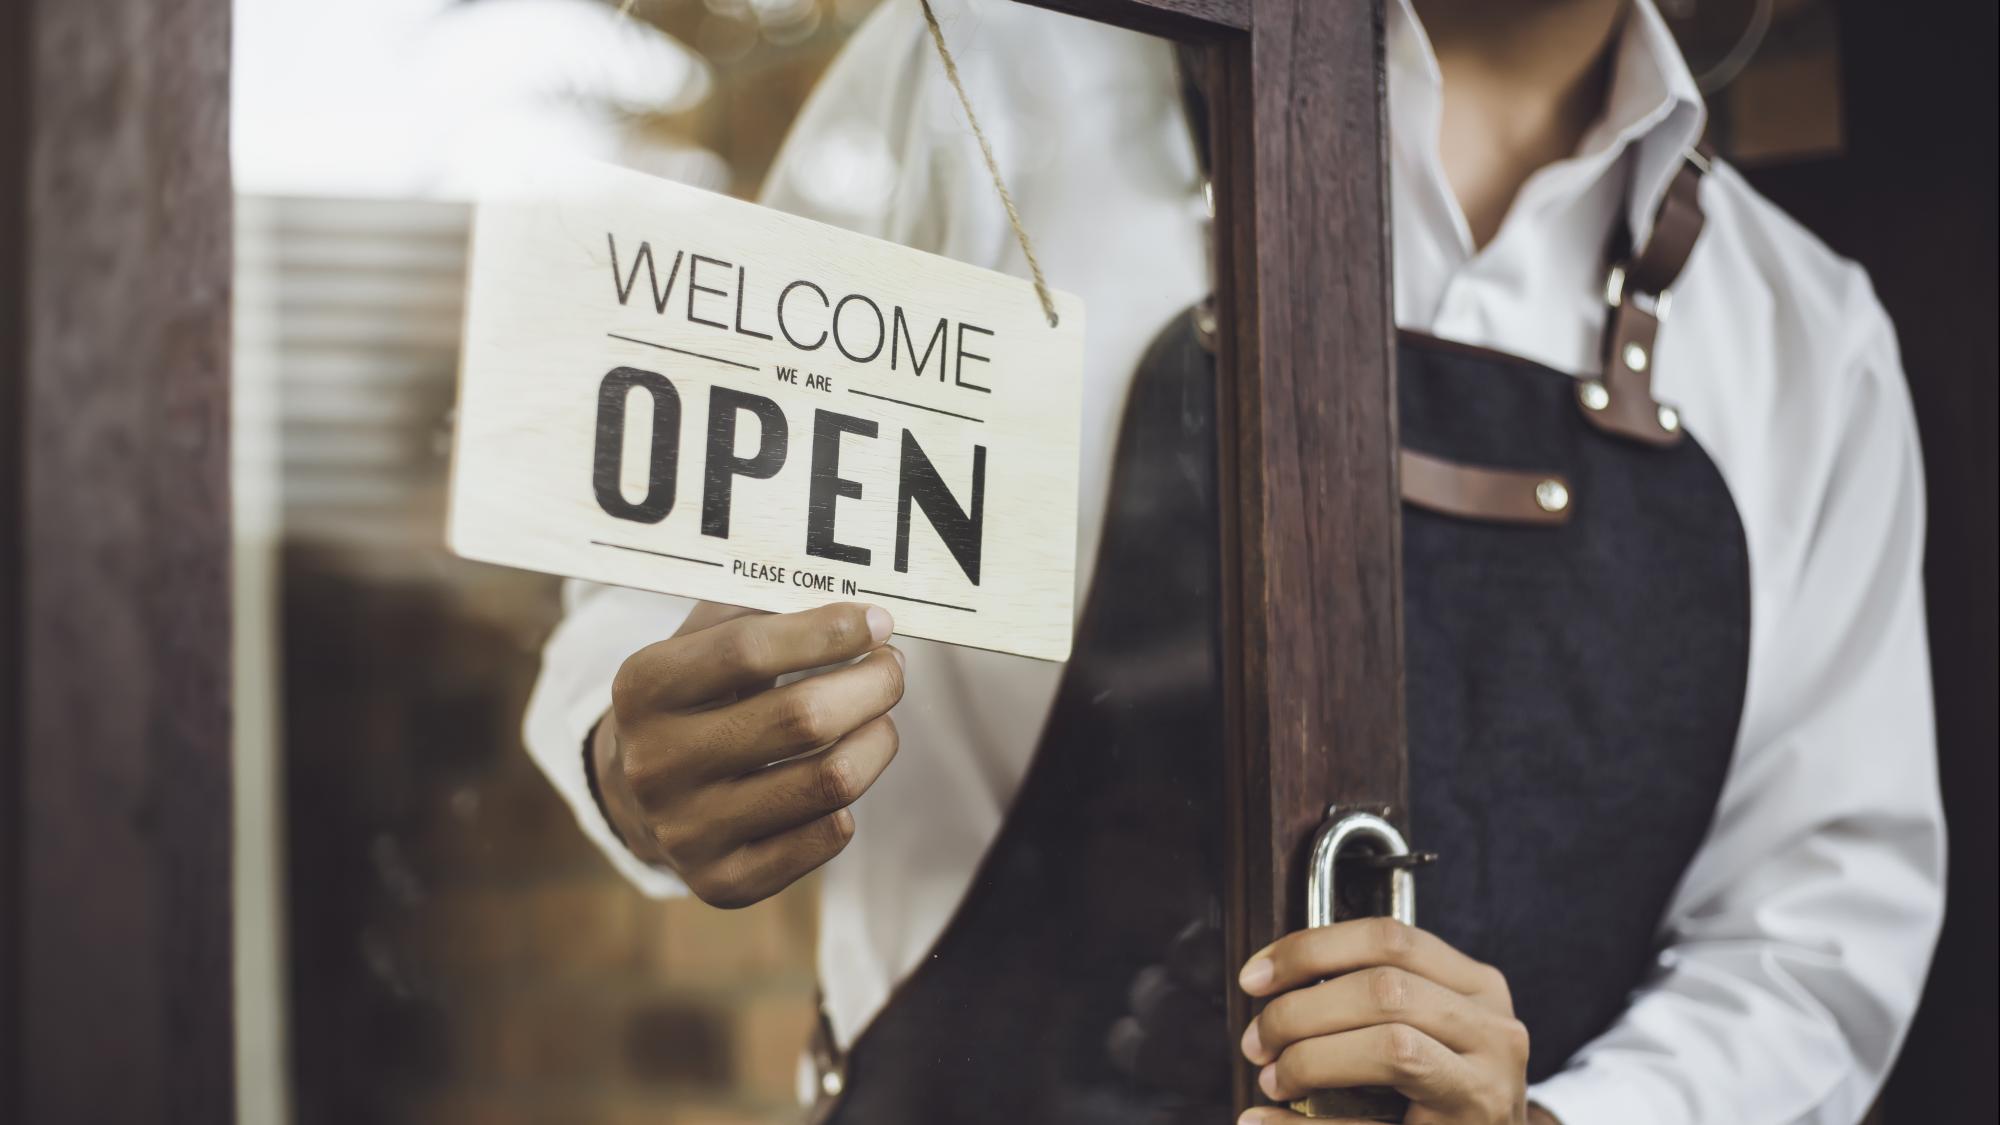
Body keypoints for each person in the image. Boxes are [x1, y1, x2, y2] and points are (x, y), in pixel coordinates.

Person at [522, 1, 1945, 1121]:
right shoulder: (989, 74)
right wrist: (638, 758)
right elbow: (656, 584)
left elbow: (1815, 933)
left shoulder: (1809, 341)